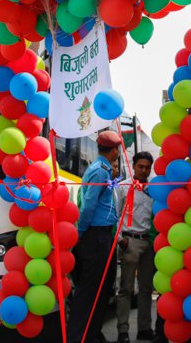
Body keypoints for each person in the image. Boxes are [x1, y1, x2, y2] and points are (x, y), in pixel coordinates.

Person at [68, 130, 123, 343]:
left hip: (103, 236)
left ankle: (92, 334)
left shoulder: (104, 169)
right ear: (115, 150)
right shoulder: (100, 171)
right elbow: (88, 207)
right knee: (89, 291)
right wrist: (80, 235)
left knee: (103, 289)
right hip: (95, 237)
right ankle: (77, 337)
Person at [115, 151, 155, 343]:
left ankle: (144, 329)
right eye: (141, 167)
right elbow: (114, 214)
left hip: (149, 241)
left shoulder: (154, 189)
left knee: (146, 288)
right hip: (129, 241)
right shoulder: (123, 187)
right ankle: (123, 331)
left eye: (148, 167)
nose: (144, 171)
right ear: (133, 166)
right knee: (126, 289)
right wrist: (120, 239)